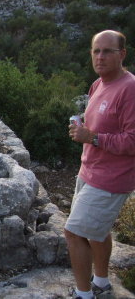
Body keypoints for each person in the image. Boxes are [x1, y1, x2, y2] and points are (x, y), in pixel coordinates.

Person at [65, 30, 135, 299]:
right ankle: (102, 283)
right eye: (96, 51)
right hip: (88, 171)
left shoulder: (129, 89)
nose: (100, 56)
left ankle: (84, 295)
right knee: (97, 232)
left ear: (122, 54)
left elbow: (132, 140)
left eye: (108, 51)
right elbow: (101, 125)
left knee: (73, 234)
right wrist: (83, 128)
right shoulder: (98, 84)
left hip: (111, 178)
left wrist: (92, 137)